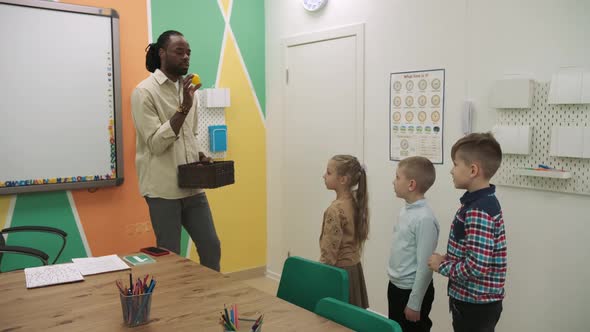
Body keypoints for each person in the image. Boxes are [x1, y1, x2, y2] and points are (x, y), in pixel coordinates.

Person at [131, 30, 221, 271]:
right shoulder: (144, 92)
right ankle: (174, 307)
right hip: (163, 190)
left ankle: (209, 301)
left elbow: (189, 135)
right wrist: (183, 108)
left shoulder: (189, 89)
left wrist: (199, 154)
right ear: (162, 53)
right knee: (170, 257)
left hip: (192, 186)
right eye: (179, 52)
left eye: (188, 52)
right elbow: (155, 144)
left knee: (211, 247)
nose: (186, 57)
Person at [428, 132, 507, 332]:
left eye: (455, 164)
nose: (451, 171)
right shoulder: (478, 203)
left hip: (475, 305)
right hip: (472, 301)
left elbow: (476, 267)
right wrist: (451, 257)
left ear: (473, 170)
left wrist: (442, 266)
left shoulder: (478, 210)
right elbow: (473, 250)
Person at [388, 156, 440, 332]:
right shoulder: (406, 209)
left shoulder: (424, 218)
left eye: (397, 177)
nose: (393, 181)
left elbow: (425, 266)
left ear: (411, 184)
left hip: (412, 292)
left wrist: (415, 302)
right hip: (397, 286)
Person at [319, 154, 369, 308]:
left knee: (337, 319)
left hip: (339, 273)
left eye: (328, 172)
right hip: (354, 270)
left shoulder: (335, 210)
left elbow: (329, 252)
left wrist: (319, 276)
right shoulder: (355, 202)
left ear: (343, 179)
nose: (324, 176)